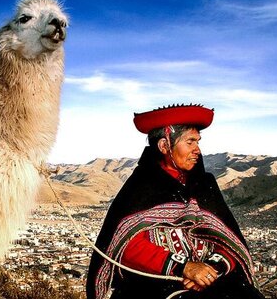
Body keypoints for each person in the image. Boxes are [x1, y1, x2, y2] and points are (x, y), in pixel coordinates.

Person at [86, 104, 264, 299]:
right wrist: (184, 267)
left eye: (198, 142)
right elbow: (126, 245)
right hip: (154, 286)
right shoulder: (140, 187)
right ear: (164, 146)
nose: (197, 150)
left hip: (212, 280)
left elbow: (228, 240)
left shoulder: (204, 185)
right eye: (190, 142)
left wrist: (208, 271)